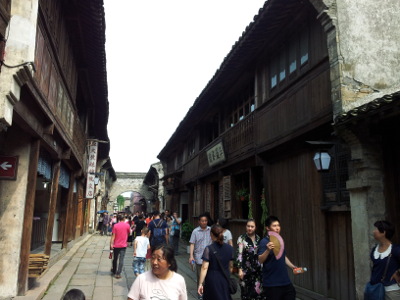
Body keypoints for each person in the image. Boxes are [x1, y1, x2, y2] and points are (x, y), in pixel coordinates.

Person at [258, 216, 298, 300]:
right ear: (267, 228)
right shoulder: (264, 242)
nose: (277, 228)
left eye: (278, 225)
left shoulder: (279, 240)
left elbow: (283, 256)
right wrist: (268, 250)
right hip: (272, 284)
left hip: (285, 282)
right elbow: (260, 260)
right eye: (274, 226)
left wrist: (293, 267)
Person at [197, 224, 234, 300]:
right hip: (225, 278)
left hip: (212, 279)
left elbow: (204, 267)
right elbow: (231, 266)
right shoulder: (230, 248)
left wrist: (200, 283)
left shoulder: (209, 249)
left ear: (211, 235)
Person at [367, 220, 400, 299]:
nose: (373, 231)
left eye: (376, 229)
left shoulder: (395, 249)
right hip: (375, 290)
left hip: (391, 291)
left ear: (383, 232)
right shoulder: (375, 249)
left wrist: (398, 272)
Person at [236, 219, 262, 300]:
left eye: (252, 226)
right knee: (246, 293)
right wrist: (240, 269)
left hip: (257, 269)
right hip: (245, 270)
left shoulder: (258, 238)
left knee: (257, 293)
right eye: (248, 226)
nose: (250, 228)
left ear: (255, 227)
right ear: (246, 227)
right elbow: (239, 255)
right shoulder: (242, 238)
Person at [189, 213, 212, 288]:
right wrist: (191, 256)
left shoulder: (211, 230)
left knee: (209, 276)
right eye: (202, 221)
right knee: (200, 276)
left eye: (205, 221)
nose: (204, 222)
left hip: (210, 256)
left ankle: (208, 292)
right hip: (199, 257)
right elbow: (192, 244)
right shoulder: (195, 231)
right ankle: (200, 293)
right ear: (199, 221)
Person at [110, 214, 131, 279]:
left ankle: (114, 270)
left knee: (115, 259)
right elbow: (129, 233)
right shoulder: (127, 225)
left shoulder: (115, 226)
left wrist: (111, 243)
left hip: (116, 245)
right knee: (121, 259)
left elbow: (113, 236)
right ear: (124, 219)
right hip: (123, 245)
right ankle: (118, 273)